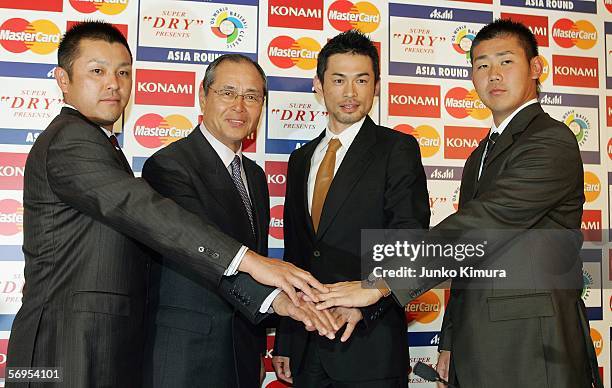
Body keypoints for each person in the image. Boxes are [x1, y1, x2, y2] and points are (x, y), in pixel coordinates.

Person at [6, 21, 329, 388]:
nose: (113, 83)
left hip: (99, 343)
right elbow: (145, 210)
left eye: (123, 72)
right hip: (63, 347)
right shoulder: (71, 139)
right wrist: (251, 261)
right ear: (63, 80)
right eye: (97, 71)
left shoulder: (101, 144)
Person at [315, 19, 602, 388]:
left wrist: (381, 281)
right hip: (476, 342)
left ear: (535, 68)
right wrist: (450, 339)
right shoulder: (481, 153)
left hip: (530, 345)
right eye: (482, 65)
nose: (493, 75)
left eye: (506, 61)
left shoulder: (551, 141)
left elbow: (484, 223)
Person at [141, 54, 336, 388]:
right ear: (203, 96)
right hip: (188, 354)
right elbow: (206, 253)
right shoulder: (169, 166)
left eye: (251, 97)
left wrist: (257, 348)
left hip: (242, 352)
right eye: (227, 93)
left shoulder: (255, 177)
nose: (239, 107)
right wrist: (278, 301)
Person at [272, 30, 430, 387]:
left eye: (362, 80)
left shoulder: (397, 149)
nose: (350, 93)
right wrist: (287, 337)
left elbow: (409, 237)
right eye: (339, 79)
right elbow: (297, 255)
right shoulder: (300, 160)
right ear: (319, 84)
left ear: (376, 86)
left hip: (369, 344)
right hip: (307, 343)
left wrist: (366, 303)